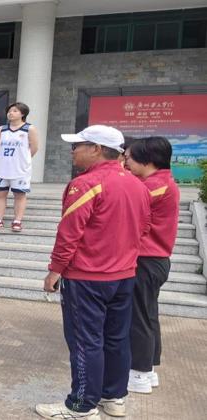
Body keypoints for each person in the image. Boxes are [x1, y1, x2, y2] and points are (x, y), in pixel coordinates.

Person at [36, 125, 151, 420]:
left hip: (87, 277)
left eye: (78, 145)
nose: (73, 150)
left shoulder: (86, 184)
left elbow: (69, 234)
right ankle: (113, 398)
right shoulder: (137, 184)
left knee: (86, 342)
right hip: (124, 275)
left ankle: (81, 405)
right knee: (116, 339)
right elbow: (144, 229)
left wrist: (55, 270)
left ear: (96, 149)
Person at [123, 136, 180, 394]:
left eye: (129, 158)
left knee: (139, 317)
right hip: (154, 259)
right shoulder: (159, 181)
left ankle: (138, 373)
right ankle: (148, 369)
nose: (126, 162)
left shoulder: (153, 186)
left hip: (147, 260)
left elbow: (125, 204)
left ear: (147, 160)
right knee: (148, 315)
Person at [0, 102, 39, 232]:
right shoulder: (1, 129)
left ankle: (17, 221)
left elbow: (34, 148)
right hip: (1, 167)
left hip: (20, 169)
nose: (11, 113)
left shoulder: (29, 128)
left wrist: (23, 160)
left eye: (15, 111)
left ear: (23, 114)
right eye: (10, 111)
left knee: (19, 195)